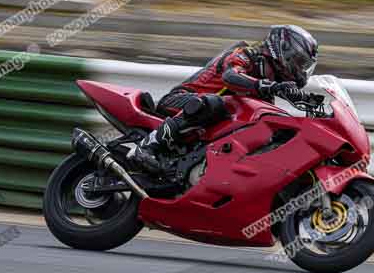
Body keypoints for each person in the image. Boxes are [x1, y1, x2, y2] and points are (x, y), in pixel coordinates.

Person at [127, 24, 319, 172]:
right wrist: (269, 86)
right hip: (181, 101)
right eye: (299, 62)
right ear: (284, 49)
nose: (300, 70)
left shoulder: (267, 77)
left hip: (205, 124)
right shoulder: (247, 54)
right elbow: (231, 77)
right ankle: (146, 147)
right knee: (214, 103)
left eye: (304, 66)